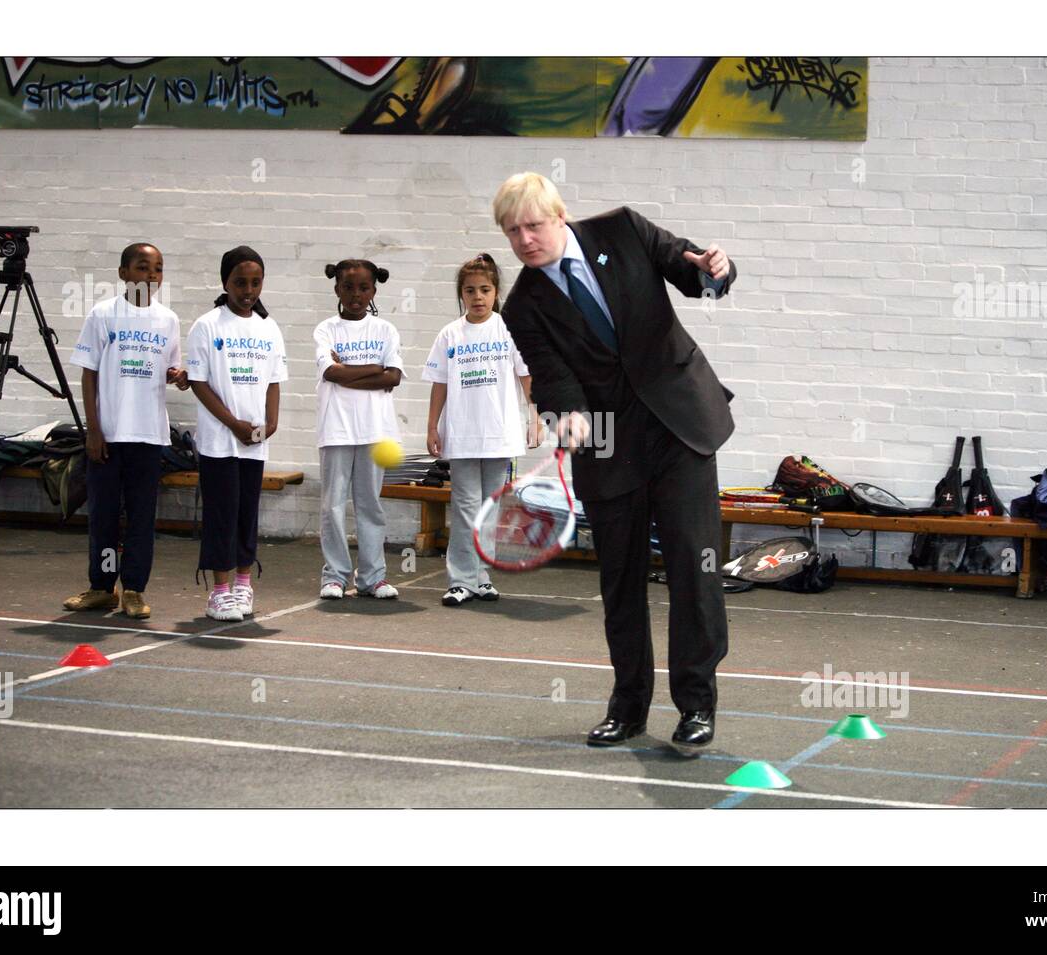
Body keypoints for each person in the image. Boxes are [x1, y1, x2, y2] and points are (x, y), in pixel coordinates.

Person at [493, 172, 737, 755]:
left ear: (560, 215)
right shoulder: (522, 305)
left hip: (680, 425)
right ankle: (628, 707)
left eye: (533, 225)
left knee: (692, 567)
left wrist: (714, 270)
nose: (524, 240)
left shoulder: (623, 230)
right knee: (620, 581)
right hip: (605, 440)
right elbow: (551, 375)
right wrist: (568, 416)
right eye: (511, 231)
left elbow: (690, 269)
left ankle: (696, 704)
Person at [63, 243, 188, 620]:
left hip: (148, 435)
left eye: (158, 269)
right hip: (109, 435)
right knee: (103, 516)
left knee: (141, 516)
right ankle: (102, 587)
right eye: (142, 267)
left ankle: (134, 588)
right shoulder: (103, 315)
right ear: (123, 273)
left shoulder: (168, 320)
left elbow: (172, 371)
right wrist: (93, 430)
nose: (150, 275)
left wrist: (178, 378)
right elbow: (89, 373)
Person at [422, 253, 538, 606]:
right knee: (465, 507)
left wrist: (536, 418)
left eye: (484, 289)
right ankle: (460, 579)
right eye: (470, 290)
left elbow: (526, 378)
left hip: (499, 434)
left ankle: (481, 577)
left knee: (490, 509)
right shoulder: (449, 334)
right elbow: (439, 383)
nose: (477, 297)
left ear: (496, 291)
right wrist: (432, 425)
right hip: (462, 435)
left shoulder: (509, 329)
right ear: (461, 294)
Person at [185, 246, 288, 622]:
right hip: (219, 441)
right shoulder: (208, 325)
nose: (248, 289)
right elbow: (198, 382)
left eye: (256, 282)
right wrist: (233, 424)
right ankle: (220, 591)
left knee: (247, 513)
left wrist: (270, 424)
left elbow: (274, 381)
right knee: (222, 514)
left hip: (254, 442)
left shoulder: (268, 327)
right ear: (224, 282)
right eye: (240, 282)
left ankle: (244, 581)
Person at [315, 259, 404, 600]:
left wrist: (347, 368)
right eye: (348, 287)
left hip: (375, 431)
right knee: (332, 505)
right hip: (336, 429)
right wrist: (374, 370)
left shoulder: (385, 330)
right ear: (337, 289)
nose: (355, 295)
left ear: (373, 291)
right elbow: (330, 374)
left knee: (370, 505)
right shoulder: (326, 329)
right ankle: (334, 575)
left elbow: (392, 378)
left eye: (363, 288)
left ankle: (372, 576)